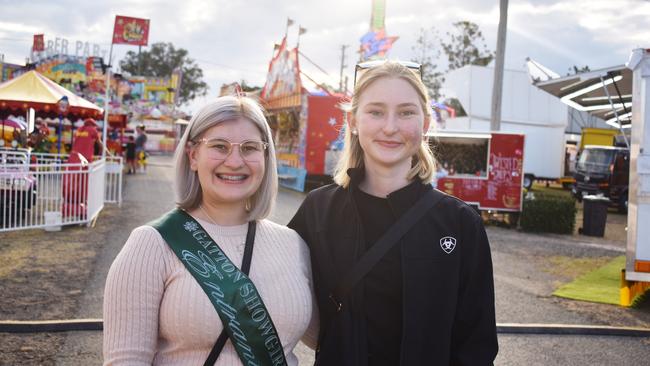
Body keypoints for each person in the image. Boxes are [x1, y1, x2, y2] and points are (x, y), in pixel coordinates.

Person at [289, 61, 498, 365]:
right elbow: (278, 293)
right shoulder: (318, 210)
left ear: (425, 123)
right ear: (353, 121)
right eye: (375, 111)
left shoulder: (460, 222)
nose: (390, 127)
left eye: (406, 112)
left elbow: (476, 345)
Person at [103, 96, 317, 365]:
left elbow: (328, 336)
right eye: (219, 146)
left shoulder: (293, 245)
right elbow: (126, 360)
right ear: (193, 156)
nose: (235, 161)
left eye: (250, 148)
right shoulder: (152, 245)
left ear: (265, 157)